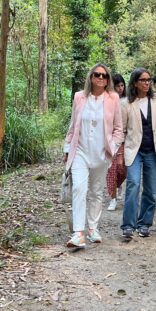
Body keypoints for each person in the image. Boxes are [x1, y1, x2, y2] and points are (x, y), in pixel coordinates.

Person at [63, 64, 124, 248]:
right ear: (91, 77)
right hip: (80, 151)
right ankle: (78, 233)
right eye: (97, 75)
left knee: (96, 191)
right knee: (79, 189)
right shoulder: (79, 97)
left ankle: (92, 229)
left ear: (108, 80)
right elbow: (73, 125)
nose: (101, 78)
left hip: (101, 153)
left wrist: (112, 148)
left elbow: (119, 128)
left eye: (104, 76)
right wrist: (67, 150)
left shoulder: (113, 98)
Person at [120, 68, 156, 238]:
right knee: (133, 185)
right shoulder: (126, 103)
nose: (147, 83)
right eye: (143, 80)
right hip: (134, 151)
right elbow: (122, 130)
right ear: (135, 82)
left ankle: (145, 223)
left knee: (151, 189)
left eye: (148, 80)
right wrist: (119, 152)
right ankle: (128, 225)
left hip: (154, 150)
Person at [107, 74, 128, 211]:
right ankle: (113, 198)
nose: (120, 88)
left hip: (127, 140)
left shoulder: (128, 101)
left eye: (122, 85)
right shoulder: (107, 101)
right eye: (117, 86)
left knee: (123, 170)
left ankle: (118, 185)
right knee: (112, 170)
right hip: (111, 140)